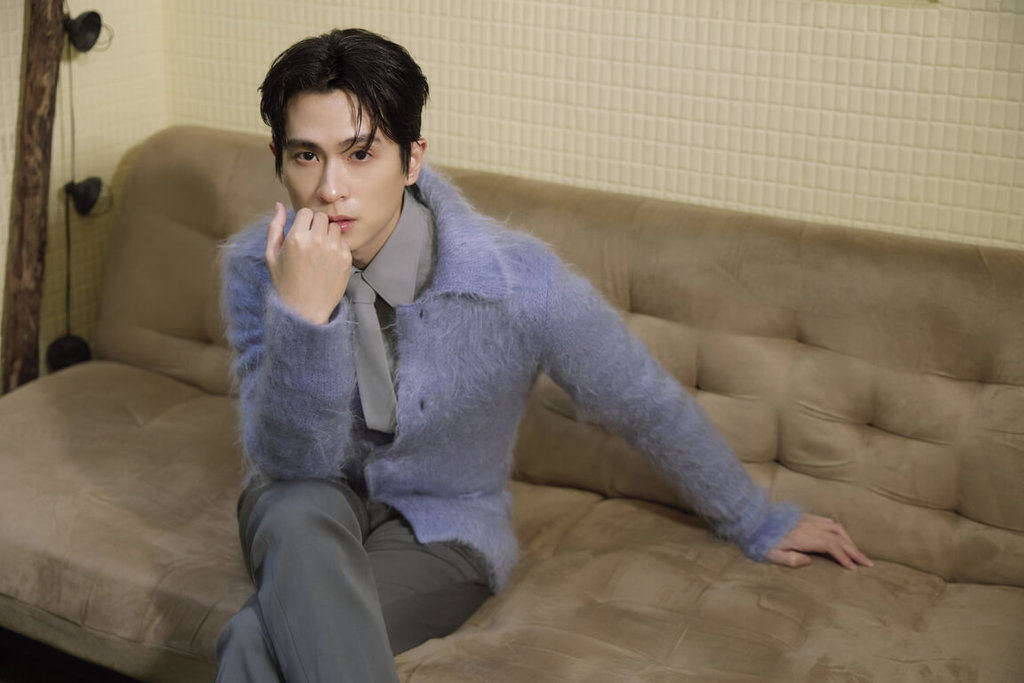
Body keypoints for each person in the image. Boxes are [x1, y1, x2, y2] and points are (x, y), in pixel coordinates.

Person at [216, 27, 872, 683]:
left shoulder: (519, 282)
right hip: (303, 502)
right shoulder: (254, 266)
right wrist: (303, 317)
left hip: (443, 526)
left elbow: (641, 399)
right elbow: (291, 461)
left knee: (255, 640)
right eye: (307, 156)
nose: (331, 187)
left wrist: (752, 518)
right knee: (295, 502)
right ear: (278, 159)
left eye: (361, 154)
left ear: (412, 159)